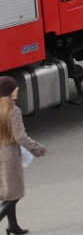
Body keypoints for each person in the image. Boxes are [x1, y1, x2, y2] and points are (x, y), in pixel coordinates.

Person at [0, 77, 46, 235]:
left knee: (8, 193)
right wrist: (38, 149)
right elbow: (20, 137)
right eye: (15, 88)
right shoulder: (13, 110)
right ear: (9, 91)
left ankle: (13, 226)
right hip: (9, 156)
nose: (17, 89)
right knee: (14, 194)